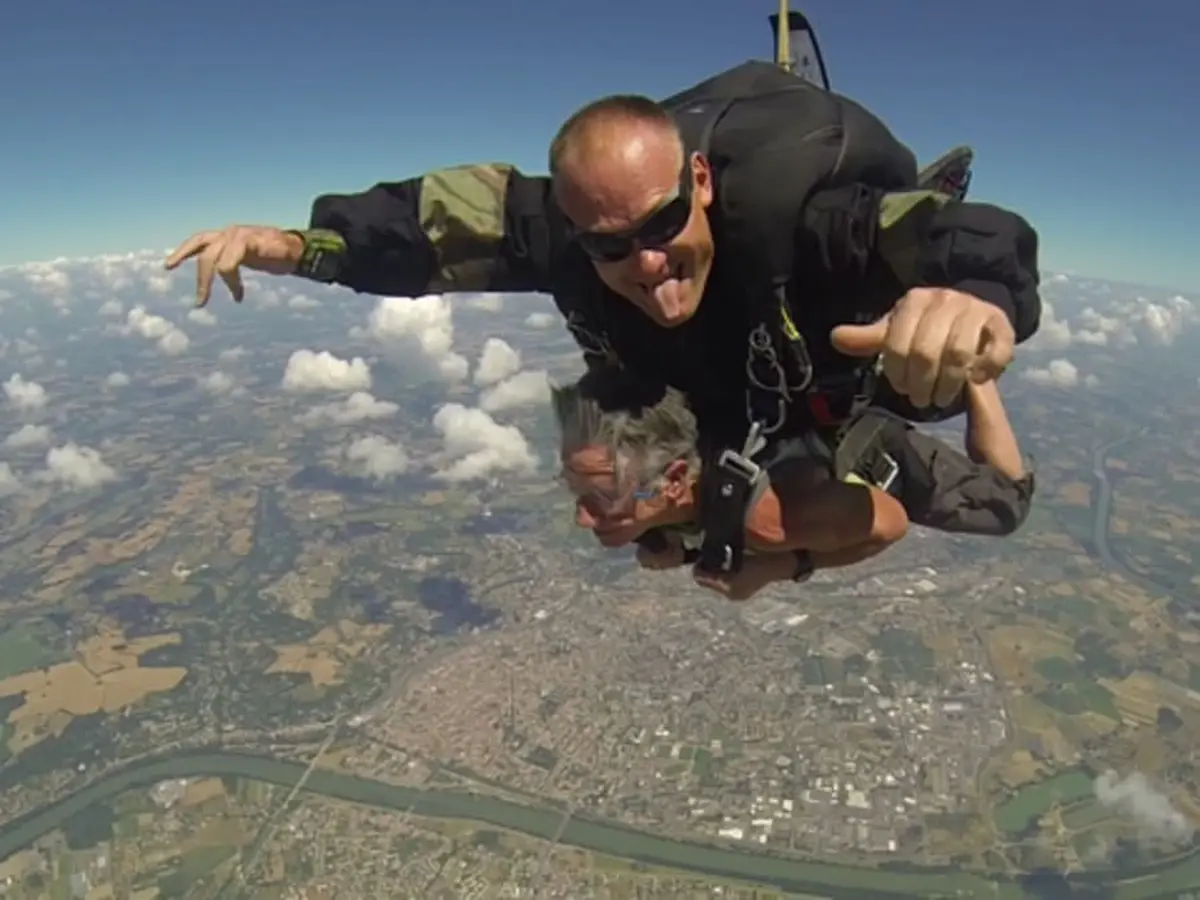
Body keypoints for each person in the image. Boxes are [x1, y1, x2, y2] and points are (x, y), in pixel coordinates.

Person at [165, 60, 1042, 574]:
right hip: (694, 391)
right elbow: (426, 225)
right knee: (646, 500)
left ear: (700, 185)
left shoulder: (805, 229)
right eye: (609, 245)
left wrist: (970, 302)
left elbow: (977, 240)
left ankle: (973, 391)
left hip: (822, 374)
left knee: (991, 499)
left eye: (663, 225)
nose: (648, 264)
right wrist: (291, 246)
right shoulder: (566, 236)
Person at [553, 364, 1034, 600]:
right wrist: (677, 547)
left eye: (601, 496)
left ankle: (975, 372)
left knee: (1003, 508)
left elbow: (890, 523)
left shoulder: (771, 520)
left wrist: (777, 569)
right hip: (781, 412)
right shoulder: (657, 489)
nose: (581, 517)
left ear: (675, 480)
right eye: (575, 491)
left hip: (864, 443)